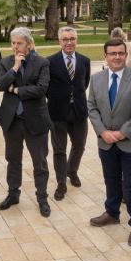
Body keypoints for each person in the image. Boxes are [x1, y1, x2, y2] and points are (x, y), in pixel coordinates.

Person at [87, 39, 131, 247]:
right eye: (112, 53)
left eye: (120, 53)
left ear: (126, 54)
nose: (117, 57)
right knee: (111, 180)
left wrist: (123, 133)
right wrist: (103, 132)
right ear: (105, 56)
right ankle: (112, 213)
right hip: (106, 142)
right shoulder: (96, 79)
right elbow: (92, 108)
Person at [0, 27, 52, 217]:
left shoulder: (42, 62)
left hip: (35, 120)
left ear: (28, 43)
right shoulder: (6, 62)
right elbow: (0, 85)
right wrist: (15, 68)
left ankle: (42, 198)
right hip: (12, 120)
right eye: (13, 43)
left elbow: (41, 89)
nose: (15, 47)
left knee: (40, 162)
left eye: (19, 43)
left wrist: (18, 91)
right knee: (13, 159)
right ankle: (13, 194)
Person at [47, 27, 90, 200]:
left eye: (72, 38)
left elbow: (84, 83)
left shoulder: (85, 61)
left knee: (79, 145)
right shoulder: (50, 62)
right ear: (60, 41)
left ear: (76, 40)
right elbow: (45, 88)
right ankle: (61, 184)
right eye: (65, 39)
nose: (69, 42)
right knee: (59, 150)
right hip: (57, 112)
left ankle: (72, 171)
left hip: (79, 110)